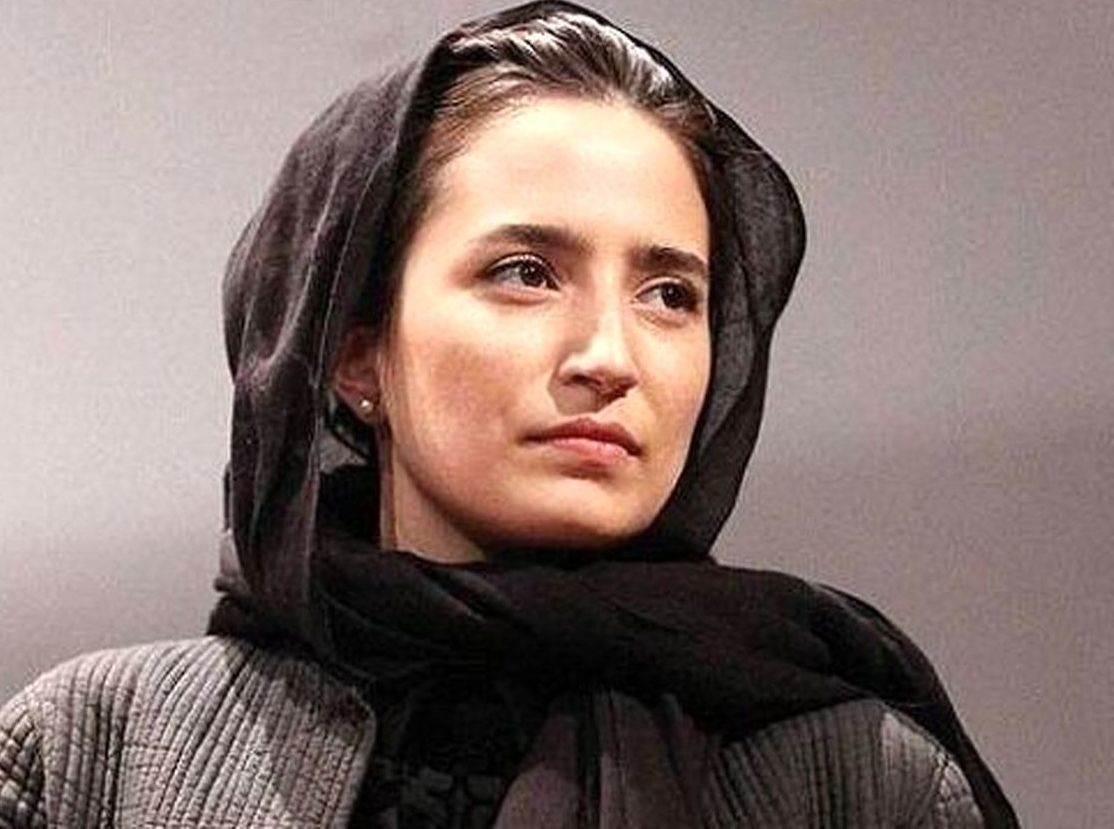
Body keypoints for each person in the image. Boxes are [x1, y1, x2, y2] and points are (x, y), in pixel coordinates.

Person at [0, 1, 1018, 826]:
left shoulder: (855, 781)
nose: (608, 357)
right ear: (355, 352)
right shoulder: (91, 754)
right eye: (526, 272)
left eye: (670, 294)